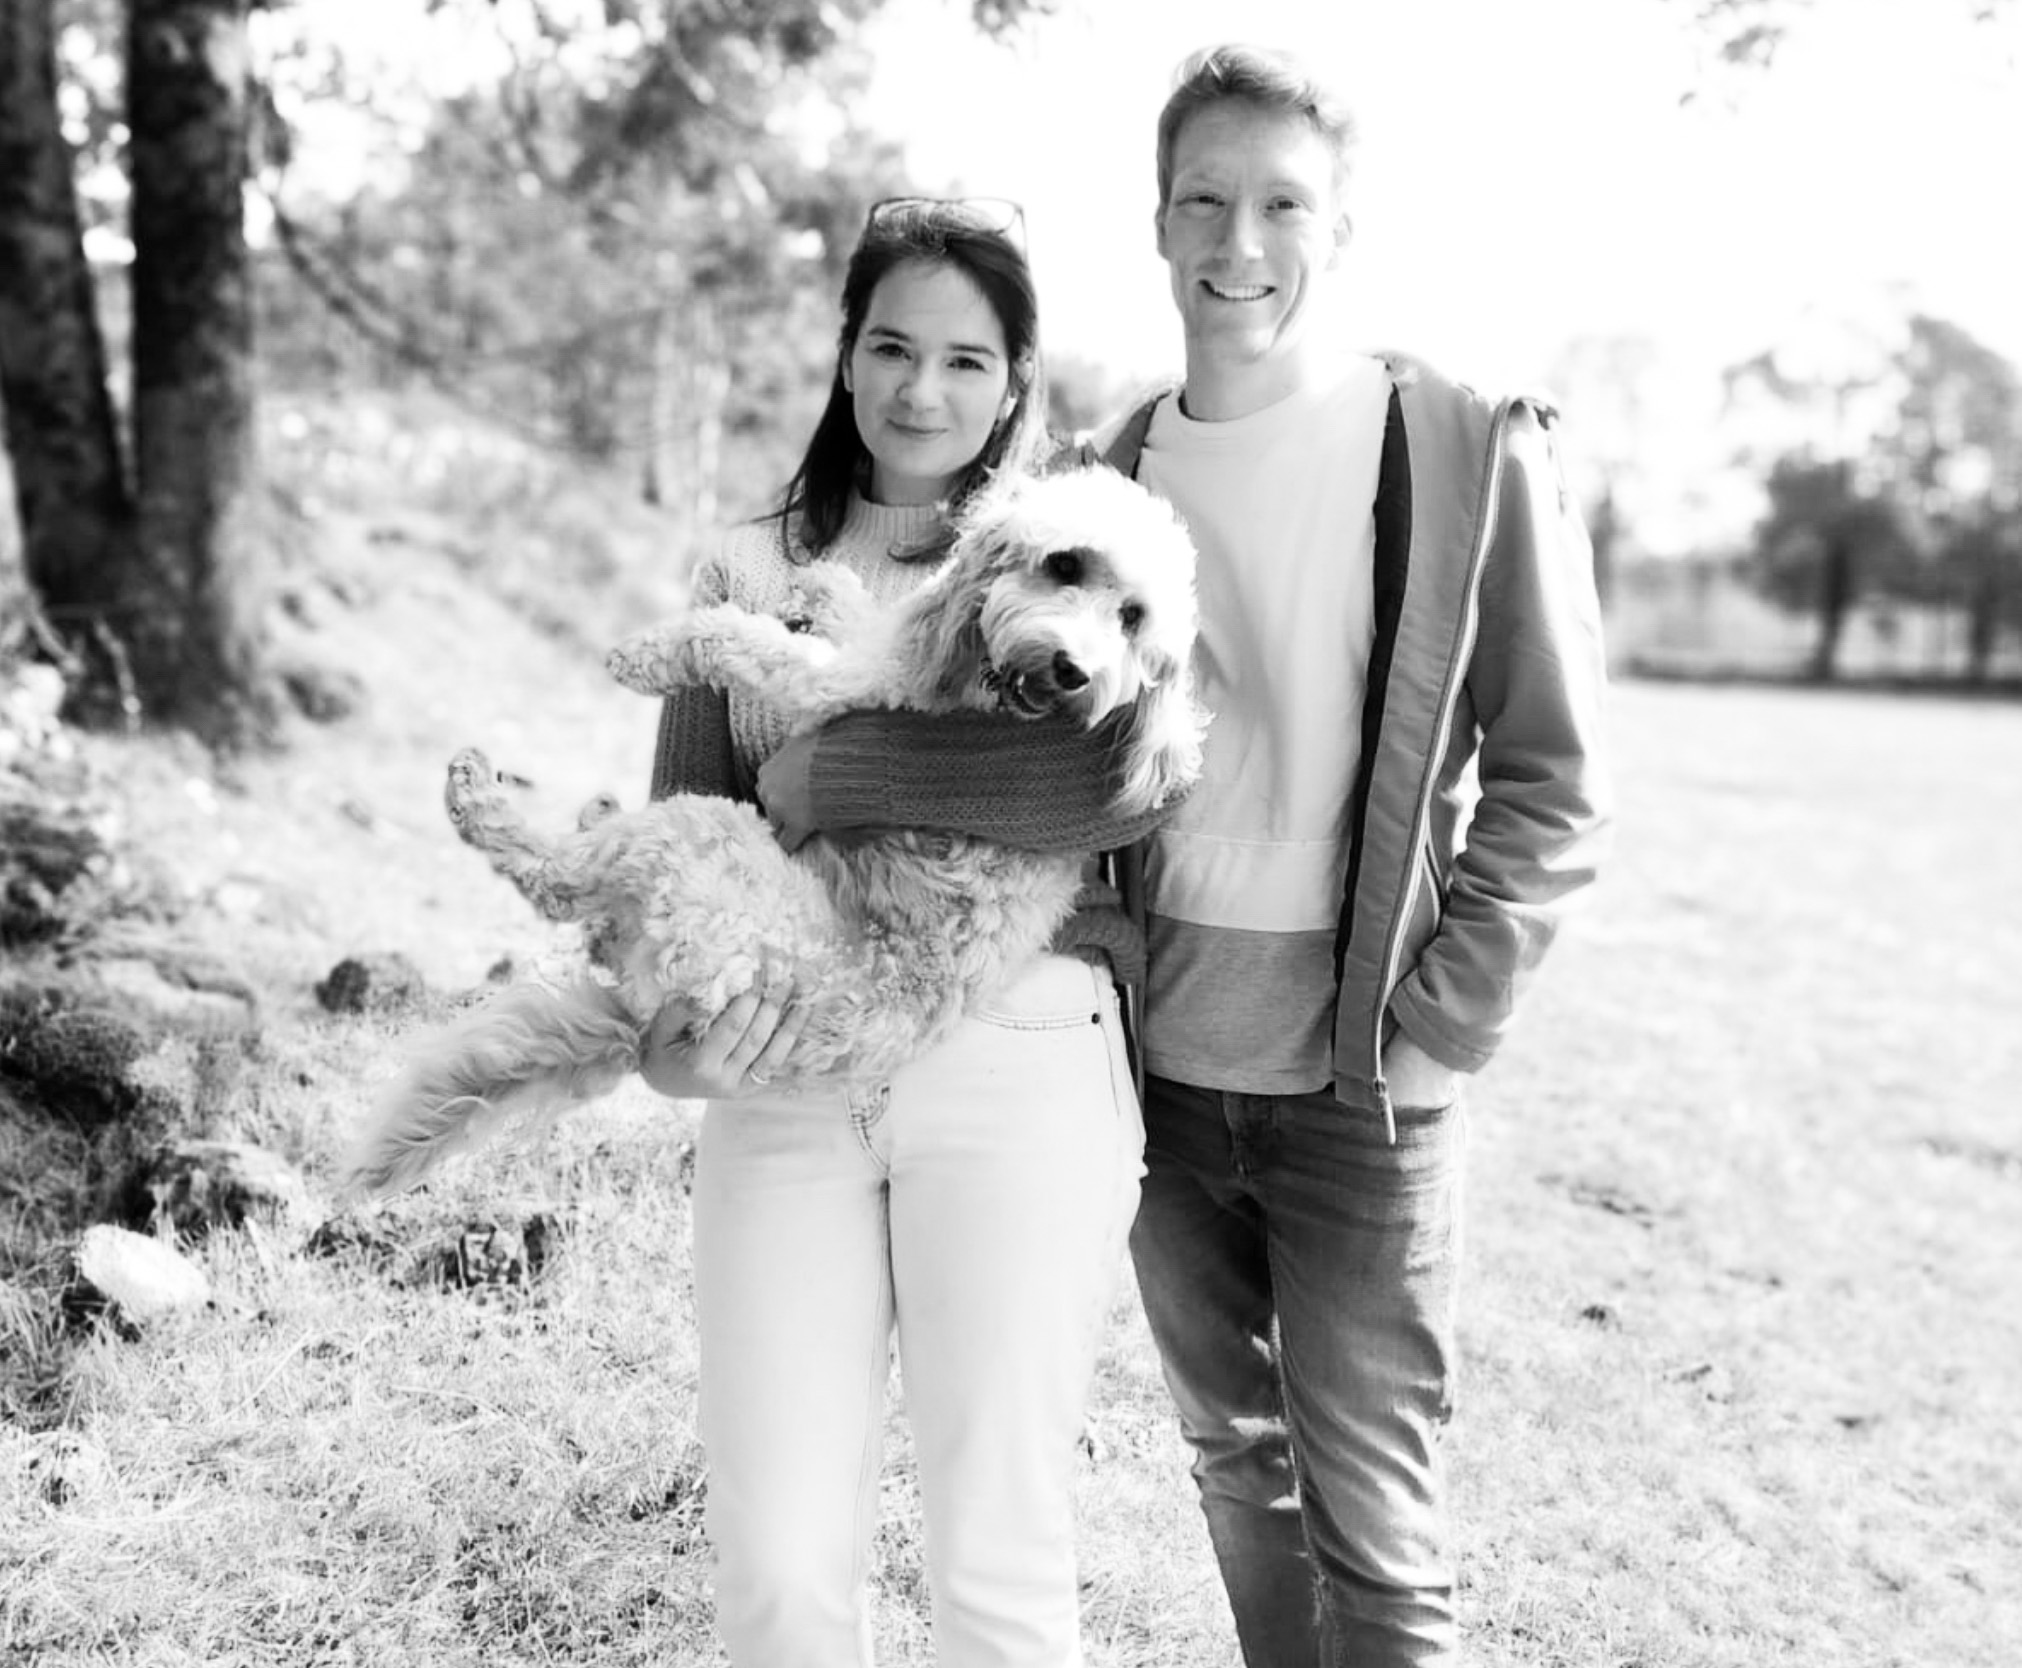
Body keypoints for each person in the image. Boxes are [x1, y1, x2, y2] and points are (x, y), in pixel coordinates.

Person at [758, 43, 1614, 1668]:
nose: (1241, 240)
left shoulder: (1455, 445)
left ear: (1338, 228)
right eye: (1205, 199)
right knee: (1237, 1471)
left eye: (1283, 202)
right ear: (1156, 222)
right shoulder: (1109, 467)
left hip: (1366, 1070)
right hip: (1151, 1054)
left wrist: (1443, 1020)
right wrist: (825, 762)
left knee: (1377, 1521)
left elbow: (1555, 778)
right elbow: (1008, 746)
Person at [636, 196, 1181, 1668]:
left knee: (996, 1552)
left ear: (1016, 380)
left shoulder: (1083, 551)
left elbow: (1101, 793)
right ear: (845, 355)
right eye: (890, 347)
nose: (920, 391)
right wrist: (670, 1043)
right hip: (785, 1073)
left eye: (964, 359)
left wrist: (824, 774)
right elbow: (686, 835)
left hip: (1017, 1062)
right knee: (778, 1558)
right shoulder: (743, 578)